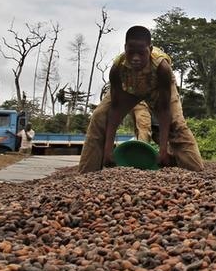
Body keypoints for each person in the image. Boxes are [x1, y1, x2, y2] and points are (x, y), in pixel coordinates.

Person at [78, 25, 204, 173]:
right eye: (131, 53)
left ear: (150, 50)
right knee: (99, 116)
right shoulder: (117, 68)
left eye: (141, 53)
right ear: (125, 48)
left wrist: (163, 150)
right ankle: (88, 172)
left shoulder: (162, 68)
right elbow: (115, 109)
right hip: (129, 87)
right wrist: (108, 149)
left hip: (157, 87)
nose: (135, 58)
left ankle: (193, 170)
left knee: (176, 125)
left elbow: (164, 110)